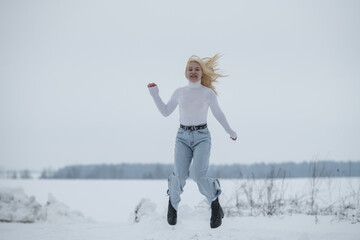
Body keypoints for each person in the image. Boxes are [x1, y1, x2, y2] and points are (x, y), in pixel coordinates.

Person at [147, 54, 237, 228]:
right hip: (182, 137)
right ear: (186, 72)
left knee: (198, 174)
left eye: (197, 69)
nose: (193, 72)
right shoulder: (179, 92)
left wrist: (230, 131)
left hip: (202, 136)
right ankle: (172, 206)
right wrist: (155, 95)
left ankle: (215, 202)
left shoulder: (207, 93)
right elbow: (166, 112)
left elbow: (218, 114)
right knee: (179, 175)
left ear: (202, 73)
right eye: (190, 69)